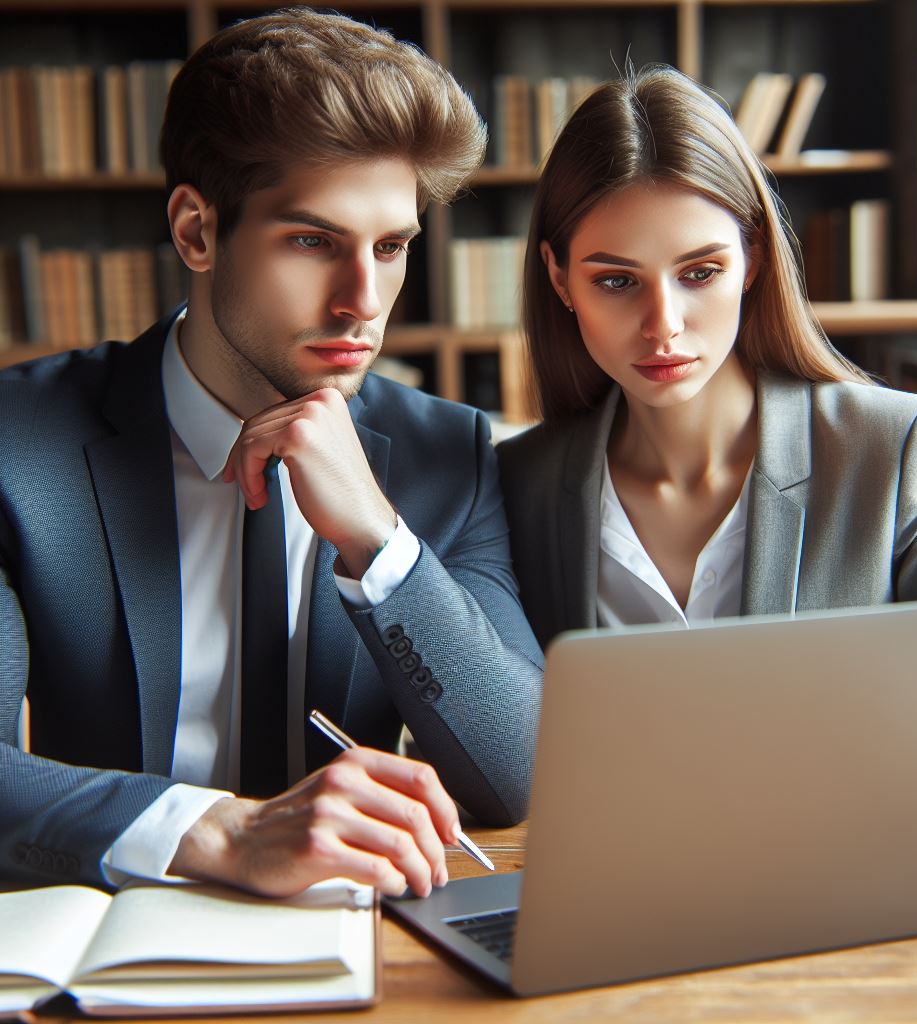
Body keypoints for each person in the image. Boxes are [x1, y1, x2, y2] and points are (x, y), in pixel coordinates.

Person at [0, 8, 543, 900]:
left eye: (392, 247)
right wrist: (223, 831)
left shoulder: (450, 453)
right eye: (312, 242)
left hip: (365, 941)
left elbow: (514, 771)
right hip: (108, 932)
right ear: (196, 232)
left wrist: (378, 542)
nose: (362, 301)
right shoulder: (21, 446)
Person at [497, 64, 917, 654]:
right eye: (617, 282)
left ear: (753, 259)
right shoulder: (518, 485)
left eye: (700, 272)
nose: (663, 325)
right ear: (559, 277)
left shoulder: (892, 451)